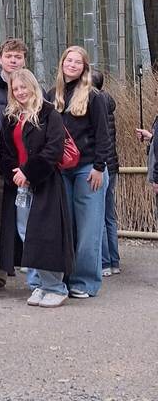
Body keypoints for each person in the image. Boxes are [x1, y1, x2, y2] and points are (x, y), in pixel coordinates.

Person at [0, 69, 74, 307]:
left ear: (33, 87)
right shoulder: (11, 116)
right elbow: (6, 151)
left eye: (24, 87)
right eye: (16, 88)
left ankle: (56, 286)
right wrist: (15, 173)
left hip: (45, 182)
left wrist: (29, 172)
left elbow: (54, 149)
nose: (21, 92)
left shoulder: (48, 113)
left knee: (45, 235)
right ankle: (39, 285)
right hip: (19, 184)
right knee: (26, 234)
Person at [46, 46, 110, 299]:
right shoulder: (53, 96)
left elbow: (104, 136)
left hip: (87, 169)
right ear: (61, 64)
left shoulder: (94, 97)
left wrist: (98, 167)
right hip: (61, 170)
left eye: (78, 62)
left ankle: (86, 281)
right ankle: (69, 277)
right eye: (68, 60)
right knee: (67, 226)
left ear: (85, 67)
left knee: (88, 228)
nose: (72, 65)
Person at [0, 38, 29, 290]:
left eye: (18, 56)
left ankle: (29, 272)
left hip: (26, 167)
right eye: (9, 56)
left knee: (23, 221)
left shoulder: (29, 87)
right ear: (0, 58)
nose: (13, 60)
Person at [91, 69, 120, 277]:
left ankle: (104, 262)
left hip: (100, 167)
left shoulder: (94, 104)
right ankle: (115, 261)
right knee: (109, 216)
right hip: (113, 165)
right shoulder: (108, 104)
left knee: (98, 216)